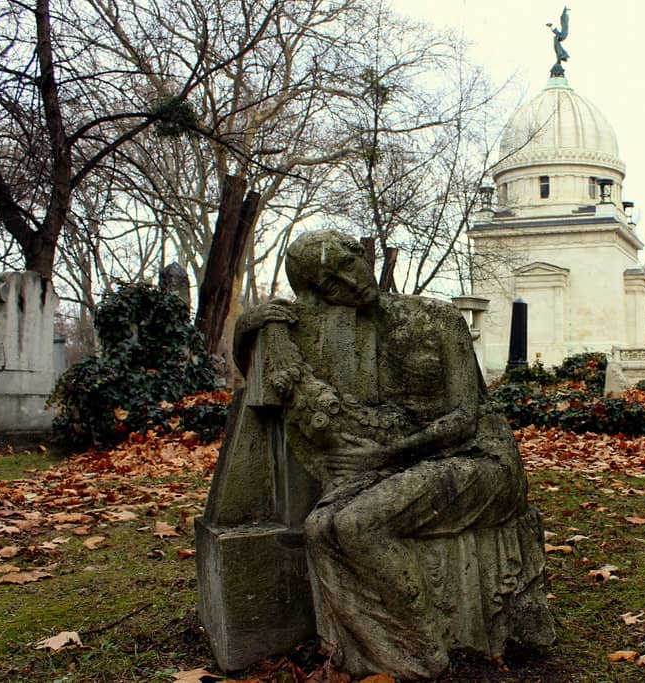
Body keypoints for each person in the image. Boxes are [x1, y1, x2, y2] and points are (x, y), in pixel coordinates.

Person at [234, 230, 552, 679]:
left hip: (478, 456)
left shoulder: (436, 318)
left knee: (358, 524)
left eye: (348, 265)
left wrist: (381, 456)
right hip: (403, 461)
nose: (348, 283)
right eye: (330, 283)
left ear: (361, 255)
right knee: (321, 526)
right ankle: (373, 653)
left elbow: (464, 416)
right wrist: (249, 325)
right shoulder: (340, 336)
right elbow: (262, 374)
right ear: (322, 295)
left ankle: (420, 657)